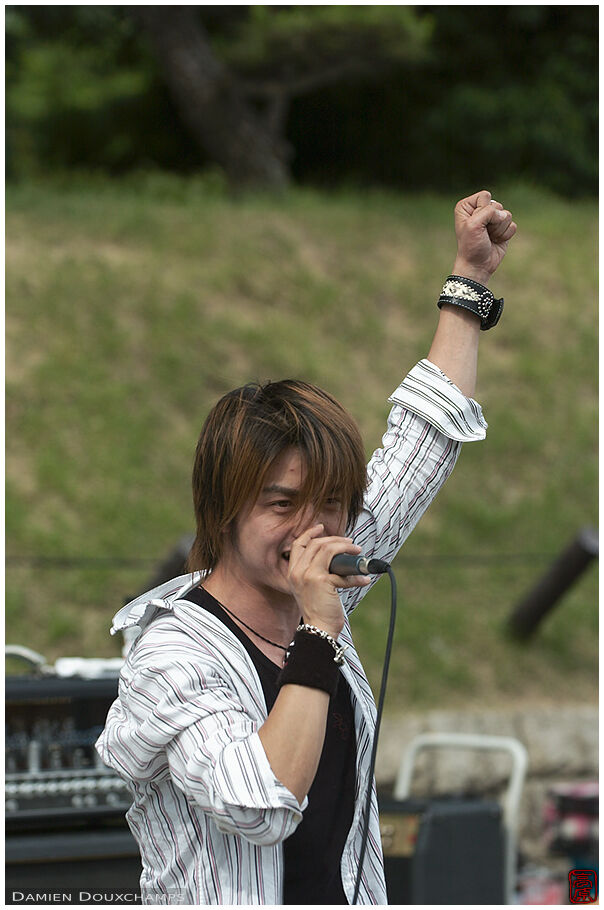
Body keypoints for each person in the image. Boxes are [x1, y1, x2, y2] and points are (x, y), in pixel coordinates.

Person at [96, 189, 517, 905]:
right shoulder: (170, 659)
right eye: (282, 504)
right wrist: (320, 632)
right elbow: (260, 803)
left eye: (330, 503)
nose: (313, 530)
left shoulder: (317, 569)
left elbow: (422, 445)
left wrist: (468, 283)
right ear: (224, 508)